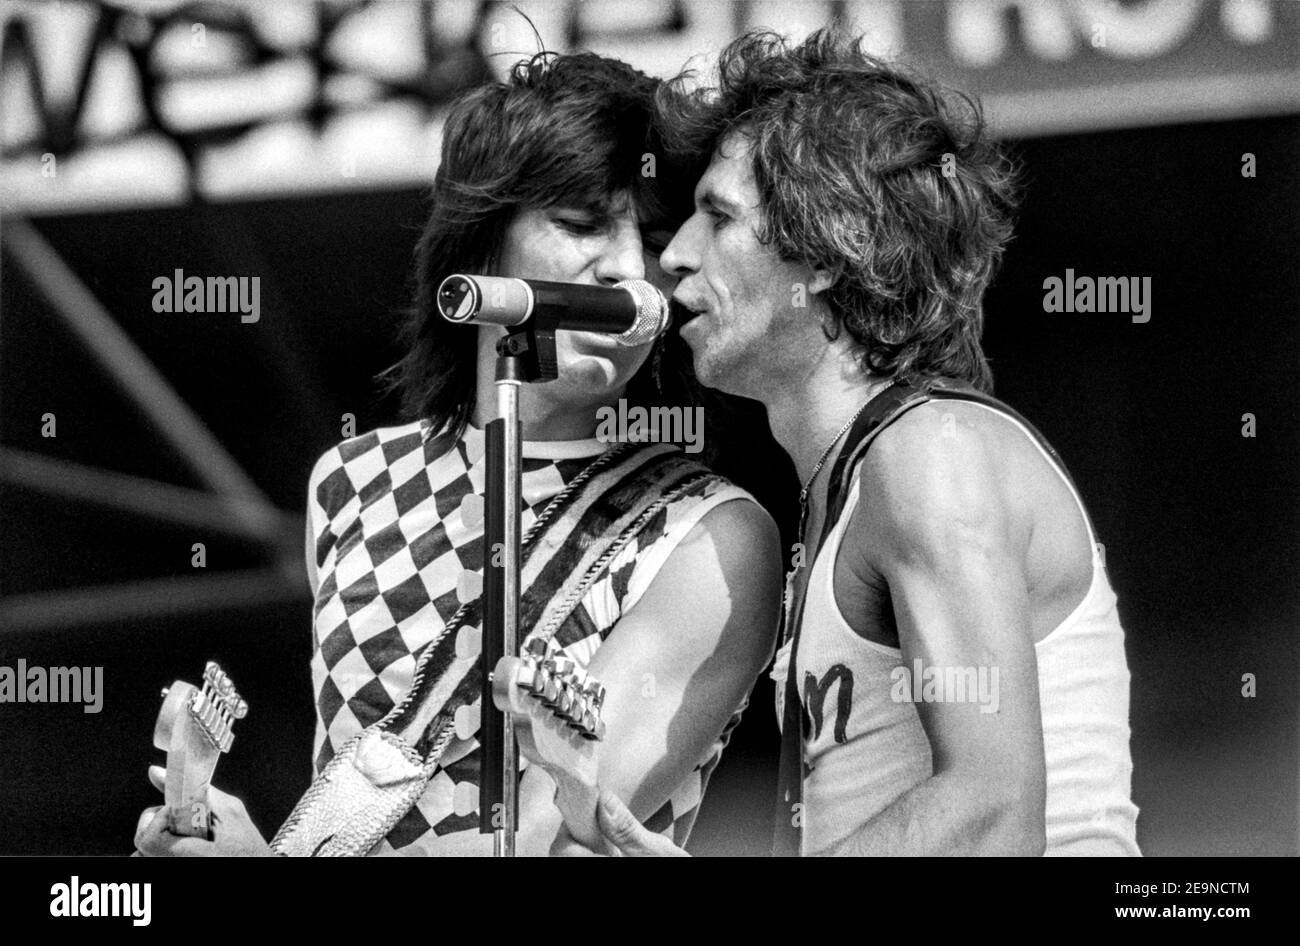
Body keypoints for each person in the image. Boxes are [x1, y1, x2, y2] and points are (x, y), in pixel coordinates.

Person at [135, 50, 781, 857]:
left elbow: (543, 839)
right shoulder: (352, 479)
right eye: (581, 226)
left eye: (650, 238)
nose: (624, 268)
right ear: (482, 247)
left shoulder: (713, 536)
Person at [589, 28, 1140, 856]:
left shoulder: (929, 454)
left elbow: (994, 812)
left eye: (718, 217)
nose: (673, 255)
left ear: (822, 250)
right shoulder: (850, 480)